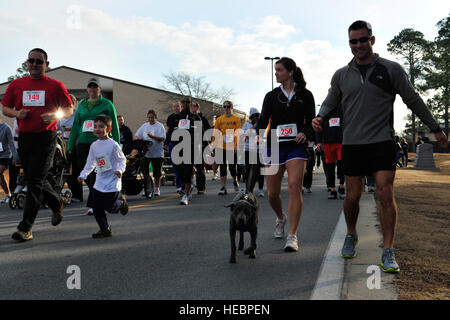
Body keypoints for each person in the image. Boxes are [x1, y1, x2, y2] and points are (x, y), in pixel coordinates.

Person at [312, 20, 448, 273]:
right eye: (354, 41)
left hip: (382, 142)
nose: (359, 45)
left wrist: (436, 128)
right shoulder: (341, 75)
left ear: (372, 40)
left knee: (385, 193)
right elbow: (330, 100)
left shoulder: (391, 69)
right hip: (352, 144)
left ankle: (387, 250)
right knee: (352, 197)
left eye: (363, 39)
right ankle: (351, 234)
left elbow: (413, 99)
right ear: (349, 43)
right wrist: (319, 116)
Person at [1, 48, 73, 241]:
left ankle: (25, 228)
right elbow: (5, 108)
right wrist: (17, 114)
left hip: (46, 137)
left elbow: (68, 108)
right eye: (31, 61)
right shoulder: (17, 84)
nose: (34, 64)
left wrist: (54, 116)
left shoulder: (56, 85)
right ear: (27, 63)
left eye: (39, 62)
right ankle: (56, 202)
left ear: (46, 65)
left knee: (33, 181)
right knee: (34, 178)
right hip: (24, 137)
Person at [256, 57, 316, 252]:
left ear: (290, 72)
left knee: (294, 186)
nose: (276, 73)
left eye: (279, 70)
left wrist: (305, 133)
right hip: (274, 145)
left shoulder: (305, 95)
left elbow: (312, 122)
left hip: (296, 147)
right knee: (272, 193)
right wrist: (256, 134)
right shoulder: (271, 95)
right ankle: (281, 217)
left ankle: (292, 235)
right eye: (275, 70)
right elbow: (264, 119)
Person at [67, 78, 120, 215]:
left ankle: (96, 204)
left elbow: (114, 124)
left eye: (95, 86)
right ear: (87, 89)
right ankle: (97, 202)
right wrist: (70, 145)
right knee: (86, 172)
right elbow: (75, 126)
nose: (92, 89)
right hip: (83, 144)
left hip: (101, 143)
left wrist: (118, 145)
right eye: (90, 86)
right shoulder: (82, 105)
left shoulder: (107, 104)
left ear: (99, 89)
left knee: (99, 173)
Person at [78, 115, 127, 238]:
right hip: (99, 182)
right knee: (97, 207)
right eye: (95, 126)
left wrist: (120, 170)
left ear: (108, 129)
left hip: (112, 182)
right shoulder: (94, 145)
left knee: (110, 208)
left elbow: (122, 160)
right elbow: (91, 162)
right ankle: (105, 229)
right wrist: (83, 175)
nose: (97, 129)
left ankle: (121, 202)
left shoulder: (113, 145)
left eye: (101, 126)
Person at [167, 97, 205, 205]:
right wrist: (166, 143)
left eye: (188, 102)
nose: (186, 104)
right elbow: (170, 132)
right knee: (180, 171)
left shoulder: (196, 117)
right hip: (178, 147)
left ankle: (186, 195)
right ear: (181, 103)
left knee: (188, 171)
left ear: (190, 104)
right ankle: (187, 187)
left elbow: (201, 135)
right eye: (184, 102)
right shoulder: (176, 117)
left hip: (191, 148)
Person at [211, 101, 241, 195]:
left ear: (232, 107)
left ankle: (235, 180)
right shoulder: (219, 119)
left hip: (232, 147)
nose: (226, 108)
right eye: (224, 106)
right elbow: (215, 133)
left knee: (232, 167)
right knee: (223, 167)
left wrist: (236, 146)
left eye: (228, 106)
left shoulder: (236, 119)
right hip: (221, 146)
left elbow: (238, 133)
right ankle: (223, 187)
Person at [134, 109, 166, 196]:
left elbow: (162, 138)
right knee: (145, 173)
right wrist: (137, 138)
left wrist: (153, 136)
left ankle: (156, 189)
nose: (150, 119)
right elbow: (137, 135)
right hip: (147, 153)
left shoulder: (160, 126)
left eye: (152, 117)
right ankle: (147, 189)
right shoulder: (144, 126)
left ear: (155, 118)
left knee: (157, 173)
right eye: (149, 117)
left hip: (157, 153)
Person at [316, 105, 345, 200]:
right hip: (328, 143)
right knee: (330, 167)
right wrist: (319, 142)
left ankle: (341, 186)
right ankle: (332, 190)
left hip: (341, 142)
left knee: (342, 165)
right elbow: (317, 127)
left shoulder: (343, 107)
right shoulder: (324, 110)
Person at [61, 94, 83, 202]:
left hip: (75, 144)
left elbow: (81, 128)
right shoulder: (60, 114)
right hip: (62, 145)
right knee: (63, 170)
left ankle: (78, 195)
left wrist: (71, 129)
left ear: (73, 103)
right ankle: (69, 191)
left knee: (75, 170)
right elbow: (56, 128)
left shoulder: (77, 114)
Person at [240, 107, 265, 197]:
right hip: (248, 149)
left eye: (257, 115)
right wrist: (253, 128)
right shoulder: (246, 125)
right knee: (249, 170)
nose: (255, 117)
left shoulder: (262, 124)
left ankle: (260, 189)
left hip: (260, 150)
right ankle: (248, 189)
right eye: (253, 116)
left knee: (260, 170)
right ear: (250, 117)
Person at [190, 100, 210, 194]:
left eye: (193, 106)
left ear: (198, 107)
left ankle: (201, 187)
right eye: (191, 106)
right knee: (188, 167)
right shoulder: (188, 118)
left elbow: (208, 133)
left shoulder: (203, 119)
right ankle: (187, 186)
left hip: (200, 145)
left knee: (199, 167)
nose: (191, 107)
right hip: (188, 145)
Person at [165, 101, 183, 193]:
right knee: (176, 166)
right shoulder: (171, 117)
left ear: (181, 107)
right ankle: (179, 186)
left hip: (184, 144)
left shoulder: (185, 116)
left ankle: (187, 183)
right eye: (174, 106)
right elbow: (168, 131)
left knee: (184, 165)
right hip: (173, 143)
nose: (176, 108)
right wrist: (166, 143)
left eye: (178, 106)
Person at [0, 114, 19, 203]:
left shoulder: (6, 128)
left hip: (5, 155)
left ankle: (9, 194)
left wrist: (15, 157)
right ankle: (8, 194)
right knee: (1, 176)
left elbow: (11, 143)